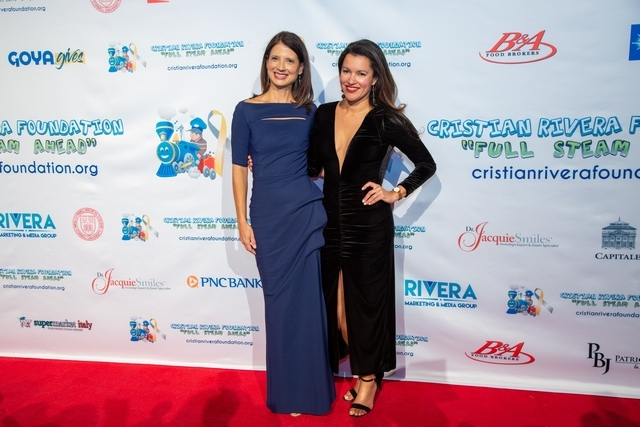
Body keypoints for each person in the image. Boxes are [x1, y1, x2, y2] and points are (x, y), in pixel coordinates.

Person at [308, 39, 437, 417]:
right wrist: (266, 160)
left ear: (375, 78)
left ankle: (368, 378)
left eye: (361, 73)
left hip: (369, 228)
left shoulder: (385, 119)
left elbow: (426, 164)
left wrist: (395, 192)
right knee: (337, 309)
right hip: (329, 225)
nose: (351, 79)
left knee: (366, 309)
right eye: (346, 71)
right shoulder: (324, 114)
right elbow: (312, 165)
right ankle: (363, 370)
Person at [231, 31, 336, 416]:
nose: (281, 66)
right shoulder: (245, 110)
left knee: (306, 306)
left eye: (289, 60)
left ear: (301, 68)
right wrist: (242, 221)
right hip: (269, 218)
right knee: (278, 307)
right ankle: (289, 392)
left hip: (304, 215)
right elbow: (239, 169)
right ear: (266, 63)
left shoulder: (310, 112)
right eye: (274, 58)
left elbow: (321, 160)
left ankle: (311, 391)